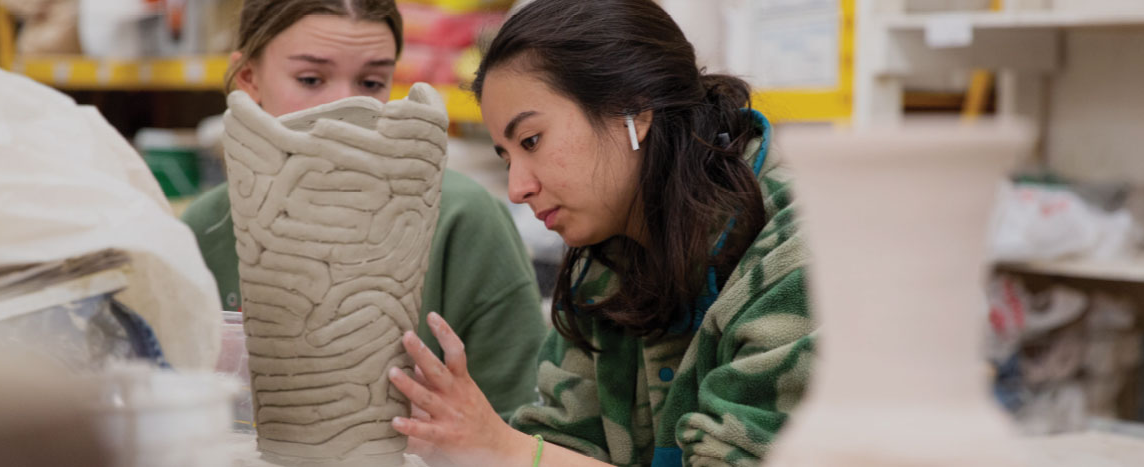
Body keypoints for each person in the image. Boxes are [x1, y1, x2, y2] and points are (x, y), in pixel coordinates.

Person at [387, 0, 815, 465]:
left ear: (633, 109)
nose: (517, 189)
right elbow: (564, 440)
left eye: (531, 140)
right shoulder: (603, 260)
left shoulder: (801, 256)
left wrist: (501, 447)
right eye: (506, 157)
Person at [180, 0, 547, 421]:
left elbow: (521, 429)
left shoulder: (463, 220)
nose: (347, 108)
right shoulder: (204, 229)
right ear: (249, 79)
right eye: (311, 78)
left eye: (371, 82)